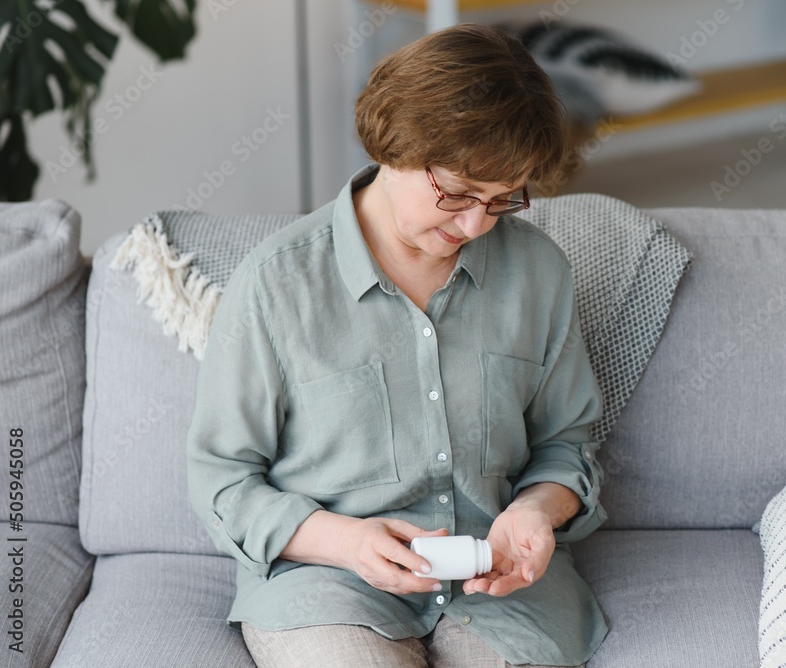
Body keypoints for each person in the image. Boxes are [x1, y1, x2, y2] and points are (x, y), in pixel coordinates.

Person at [187, 23, 607, 668]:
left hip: (500, 589)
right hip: (328, 582)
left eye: (501, 202)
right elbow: (222, 478)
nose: (474, 225)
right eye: (458, 193)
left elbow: (566, 443)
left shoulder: (539, 273)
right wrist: (347, 544)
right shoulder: (277, 284)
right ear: (396, 144)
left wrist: (536, 512)